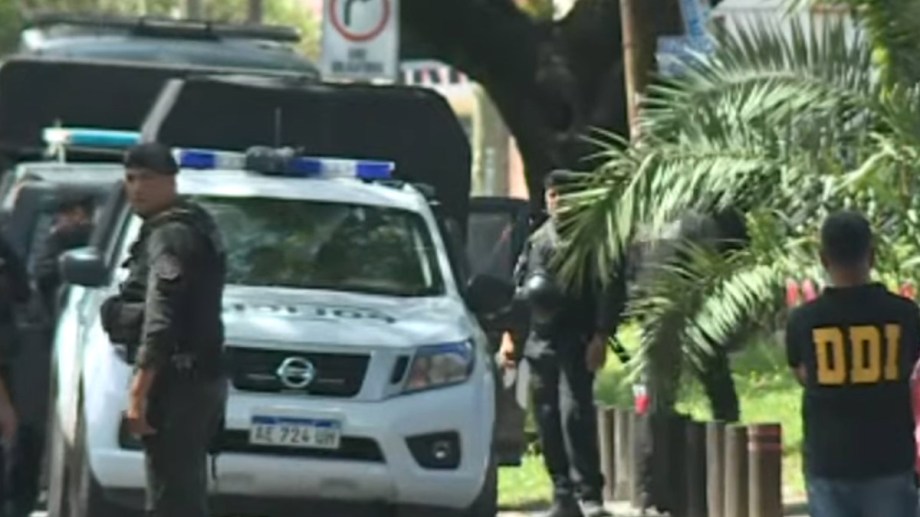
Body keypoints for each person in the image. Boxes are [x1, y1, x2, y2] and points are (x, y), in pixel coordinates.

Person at [99, 143, 227, 517]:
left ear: (171, 181)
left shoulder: (171, 236)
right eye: (131, 178)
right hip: (192, 379)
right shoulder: (188, 224)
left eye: (148, 179)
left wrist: (139, 391)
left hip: (178, 382)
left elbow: (162, 315)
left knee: (173, 501)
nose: (137, 188)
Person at [498, 170, 626, 517]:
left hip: (577, 338)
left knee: (575, 414)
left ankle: (590, 495)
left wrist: (601, 335)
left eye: (565, 195)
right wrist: (510, 334)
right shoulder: (537, 240)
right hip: (540, 341)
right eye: (553, 195)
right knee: (547, 417)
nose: (559, 202)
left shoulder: (591, 242)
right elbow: (520, 289)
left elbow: (608, 290)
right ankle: (562, 493)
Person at [786, 210, 919, 517]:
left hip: (829, 462)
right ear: (871, 256)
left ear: (823, 259)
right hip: (890, 459)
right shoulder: (905, 314)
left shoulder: (804, 320)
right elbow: (912, 365)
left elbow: (803, 374)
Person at [33, 194, 95, 315]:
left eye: (63, 215)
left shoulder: (63, 237)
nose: (59, 220)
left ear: (78, 213)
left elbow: (43, 271)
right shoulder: (99, 237)